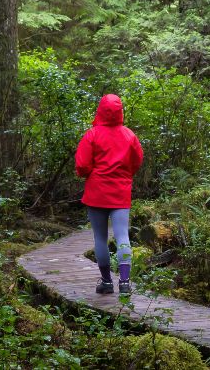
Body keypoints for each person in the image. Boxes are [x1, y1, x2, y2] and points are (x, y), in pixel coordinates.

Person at [75, 94, 144, 294]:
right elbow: (137, 161)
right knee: (123, 236)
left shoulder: (92, 135)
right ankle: (124, 282)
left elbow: (82, 165)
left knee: (100, 238)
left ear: (100, 110)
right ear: (120, 111)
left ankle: (106, 282)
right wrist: (124, 175)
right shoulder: (129, 135)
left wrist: (88, 174)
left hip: (96, 192)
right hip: (120, 193)